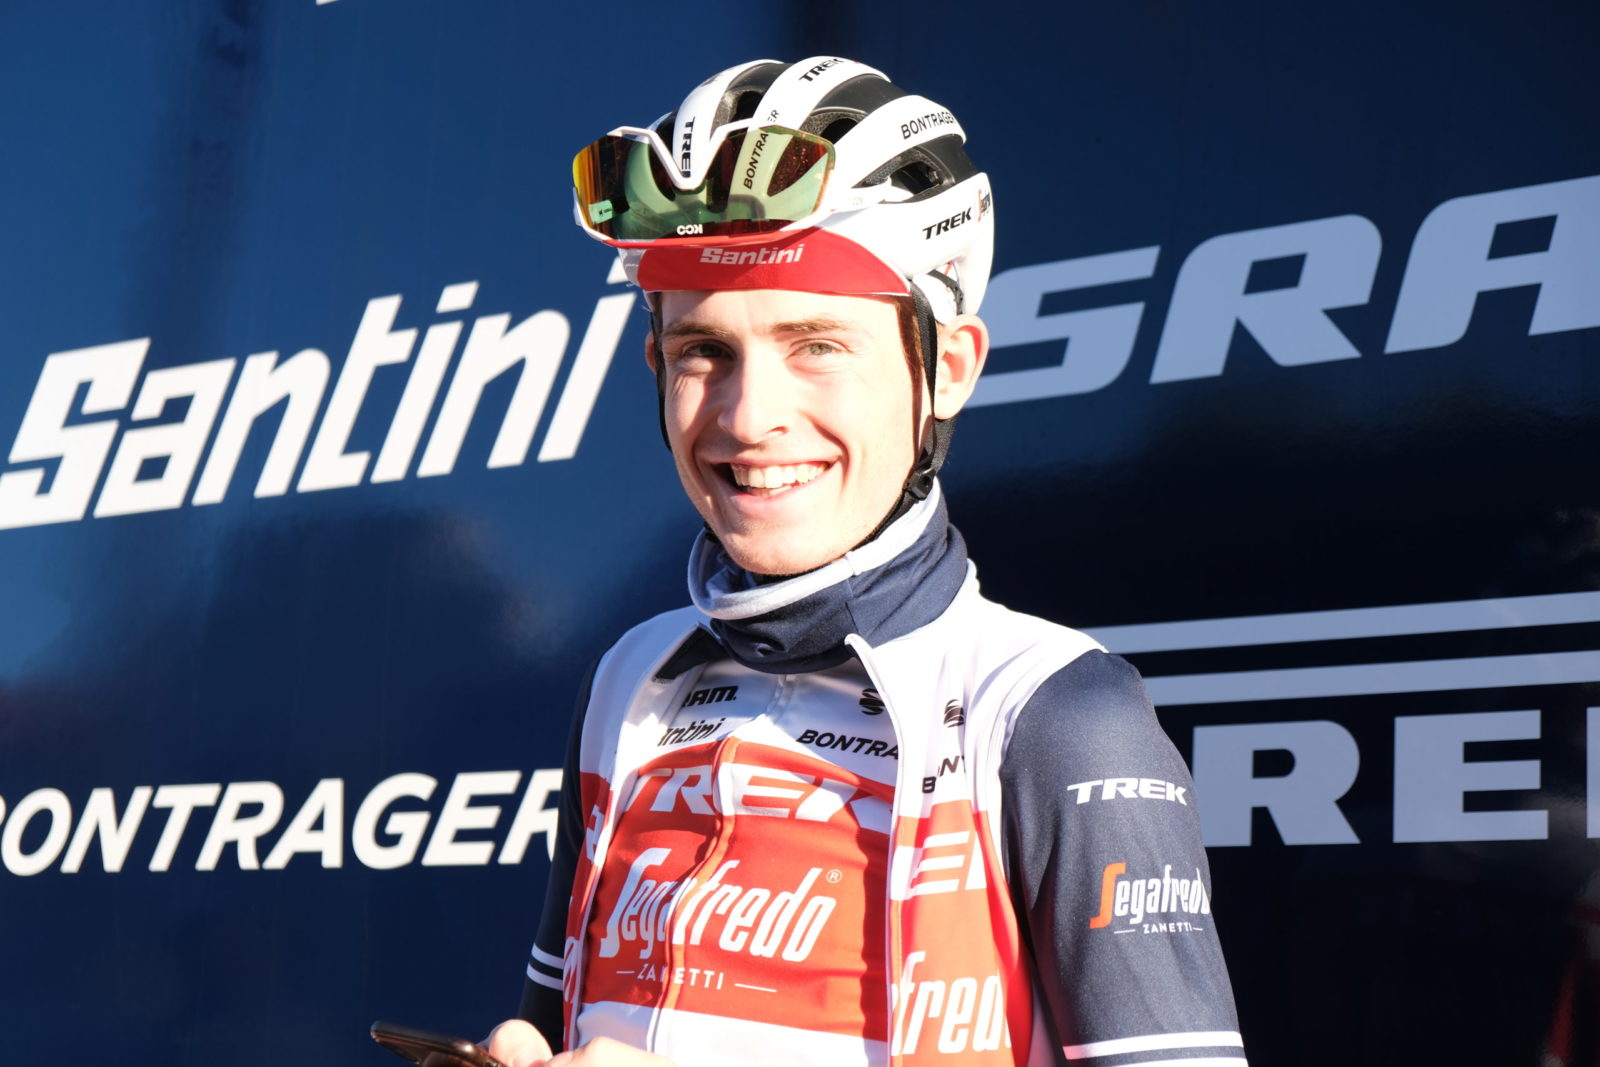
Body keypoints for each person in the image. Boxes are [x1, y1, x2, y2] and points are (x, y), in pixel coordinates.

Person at [485, 56, 1245, 1067]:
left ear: (948, 369)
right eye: (703, 350)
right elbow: (554, 1023)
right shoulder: (629, 679)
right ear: (656, 365)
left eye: (817, 344)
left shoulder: (1055, 710)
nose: (749, 416)